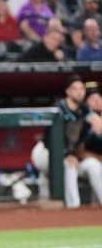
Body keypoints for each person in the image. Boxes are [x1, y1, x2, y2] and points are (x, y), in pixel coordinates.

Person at [30, 75, 102, 206]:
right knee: (69, 164)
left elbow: (96, 123)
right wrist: (67, 154)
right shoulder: (58, 109)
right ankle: (73, 207)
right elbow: (48, 140)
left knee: (93, 165)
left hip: (69, 154)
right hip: (44, 152)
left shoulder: (84, 110)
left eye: (82, 89)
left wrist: (97, 122)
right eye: (75, 89)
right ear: (68, 91)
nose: (79, 92)